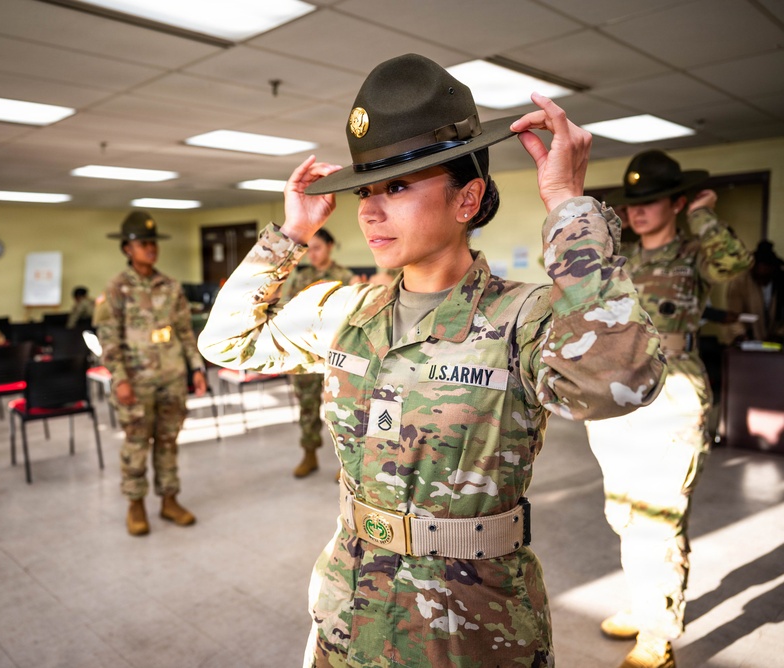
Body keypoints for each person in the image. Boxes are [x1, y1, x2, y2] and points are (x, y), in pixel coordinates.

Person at [198, 53, 666, 668]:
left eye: (396, 187)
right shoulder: (343, 311)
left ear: (467, 198)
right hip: (349, 606)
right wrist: (290, 235)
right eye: (365, 190)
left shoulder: (523, 318)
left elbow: (623, 381)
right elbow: (225, 342)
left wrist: (567, 206)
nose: (369, 210)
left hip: (470, 625)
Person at [584, 150, 752, 667]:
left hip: (673, 393)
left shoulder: (695, 252)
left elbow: (733, 263)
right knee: (625, 513)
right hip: (620, 392)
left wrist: (703, 215)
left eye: (652, 201)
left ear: (677, 203)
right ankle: (644, 604)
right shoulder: (624, 260)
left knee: (659, 516)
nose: (638, 211)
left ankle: (657, 637)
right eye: (633, 202)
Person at [93, 210, 208, 537]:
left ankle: (169, 501)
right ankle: (136, 505)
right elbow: (108, 338)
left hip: (171, 377)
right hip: (136, 381)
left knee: (168, 442)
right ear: (127, 248)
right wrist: (120, 378)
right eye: (143, 243)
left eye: (153, 242)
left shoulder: (170, 286)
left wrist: (196, 368)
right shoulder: (117, 288)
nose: (151, 248)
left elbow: (185, 331)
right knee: (136, 443)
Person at [279, 228, 354, 478]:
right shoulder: (300, 277)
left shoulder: (344, 277)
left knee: (342, 409)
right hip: (305, 354)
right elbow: (286, 310)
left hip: (337, 354)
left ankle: (346, 464)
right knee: (307, 406)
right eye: (309, 249)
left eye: (317, 248)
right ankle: (309, 454)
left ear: (330, 246)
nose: (312, 254)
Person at [724, 240, 783, 343]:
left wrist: (779, 334)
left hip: (777, 342)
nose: (762, 281)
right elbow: (733, 314)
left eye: (766, 277)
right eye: (759, 277)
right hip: (747, 339)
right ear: (752, 269)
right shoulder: (740, 283)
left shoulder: (781, 282)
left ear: (773, 269)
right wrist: (740, 334)